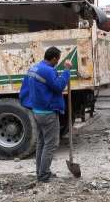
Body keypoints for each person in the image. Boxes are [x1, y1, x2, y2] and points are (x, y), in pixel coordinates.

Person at [20, 46, 72, 183]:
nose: (58, 62)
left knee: (42, 143)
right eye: (58, 60)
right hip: (48, 113)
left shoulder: (34, 68)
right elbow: (58, 86)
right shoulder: (48, 71)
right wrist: (67, 71)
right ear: (54, 58)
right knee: (51, 144)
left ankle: (41, 172)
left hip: (36, 111)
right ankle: (43, 175)